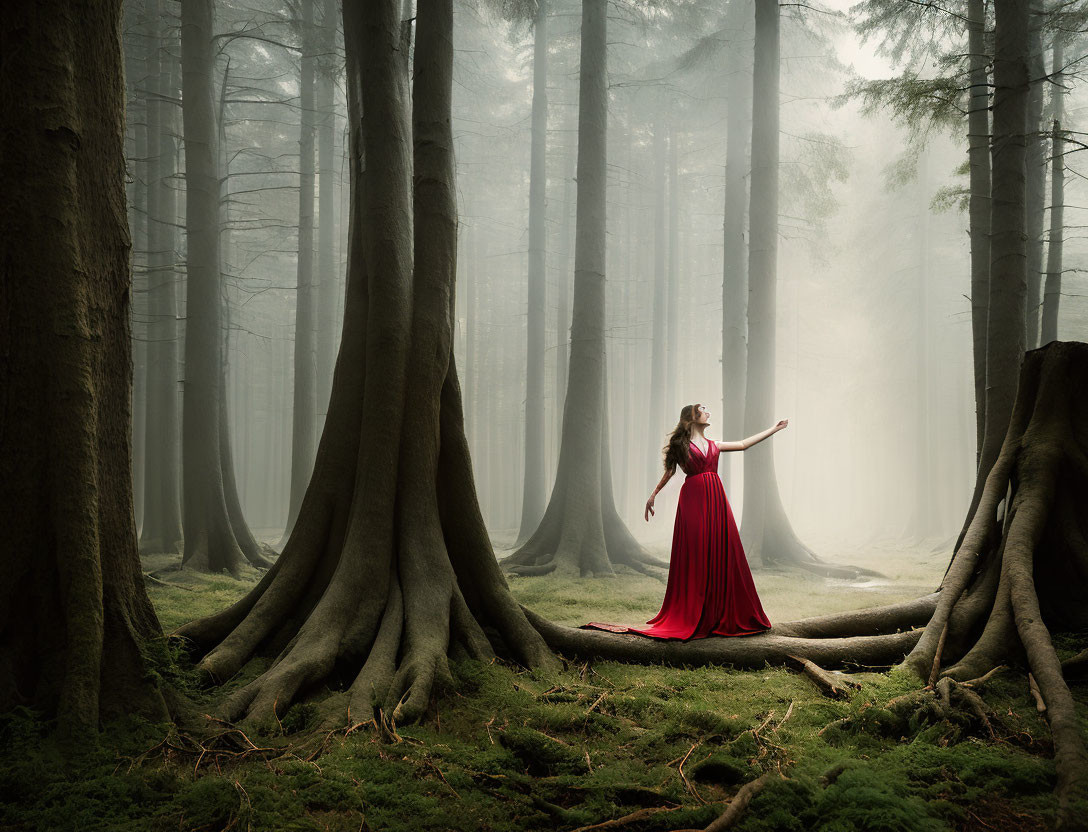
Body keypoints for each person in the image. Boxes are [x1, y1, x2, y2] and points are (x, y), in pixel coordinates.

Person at [583, 403, 786, 639]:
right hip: (693, 502)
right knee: (698, 552)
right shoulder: (681, 447)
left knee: (721, 551)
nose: (708, 412)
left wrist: (774, 428)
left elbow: (743, 445)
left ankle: (719, 612)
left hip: (716, 500)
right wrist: (653, 495)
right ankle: (696, 612)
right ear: (692, 417)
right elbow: (669, 472)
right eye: (703, 409)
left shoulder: (714, 445)